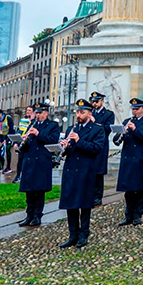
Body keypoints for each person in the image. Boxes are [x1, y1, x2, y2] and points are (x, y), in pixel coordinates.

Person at [58, 99, 105, 248]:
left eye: (82, 112)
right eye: (78, 112)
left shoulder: (97, 129)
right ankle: (73, 234)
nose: (79, 115)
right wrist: (63, 147)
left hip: (86, 171)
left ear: (89, 113)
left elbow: (96, 148)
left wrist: (78, 141)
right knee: (70, 204)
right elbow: (69, 151)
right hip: (71, 171)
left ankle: (84, 234)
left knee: (84, 204)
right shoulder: (72, 128)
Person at [17, 102, 60, 227]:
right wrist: (23, 140)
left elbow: (53, 140)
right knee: (29, 190)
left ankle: (37, 215)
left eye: (40, 113)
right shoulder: (32, 124)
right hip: (30, 161)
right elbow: (28, 144)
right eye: (36, 113)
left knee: (39, 190)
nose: (38, 115)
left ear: (46, 113)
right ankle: (29, 214)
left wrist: (38, 134)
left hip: (42, 161)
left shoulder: (53, 125)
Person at [115, 98, 143, 226]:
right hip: (127, 159)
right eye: (133, 109)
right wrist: (121, 133)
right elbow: (117, 139)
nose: (134, 111)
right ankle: (128, 214)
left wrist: (135, 130)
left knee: (139, 189)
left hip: (140, 159)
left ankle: (138, 214)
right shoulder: (127, 121)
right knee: (128, 189)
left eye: (137, 109)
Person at [90, 91, 115, 207]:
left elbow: (108, 129)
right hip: (90, 144)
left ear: (102, 101)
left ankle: (98, 196)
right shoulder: (90, 113)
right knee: (90, 171)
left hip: (101, 145)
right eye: (93, 101)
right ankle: (89, 194)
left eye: (97, 101)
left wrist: (96, 123)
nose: (94, 104)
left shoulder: (108, 114)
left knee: (99, 172)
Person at [13, 106, 35, 184]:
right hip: (21, 142)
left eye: (29, 110)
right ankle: (18, 175)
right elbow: (19, 131)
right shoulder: (23, 121)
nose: (27, 112)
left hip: (29, 143)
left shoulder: (34, 122)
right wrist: (16, 142)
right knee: (20, 161)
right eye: (27, 110)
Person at [0, 109, 15, 174]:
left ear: (0, 114)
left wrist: (7, 139)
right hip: (2, 136)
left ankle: (8, 167)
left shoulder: (8, 118)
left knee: (8, 150)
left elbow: (11, 129)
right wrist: (0, 140)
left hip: (9, 136)